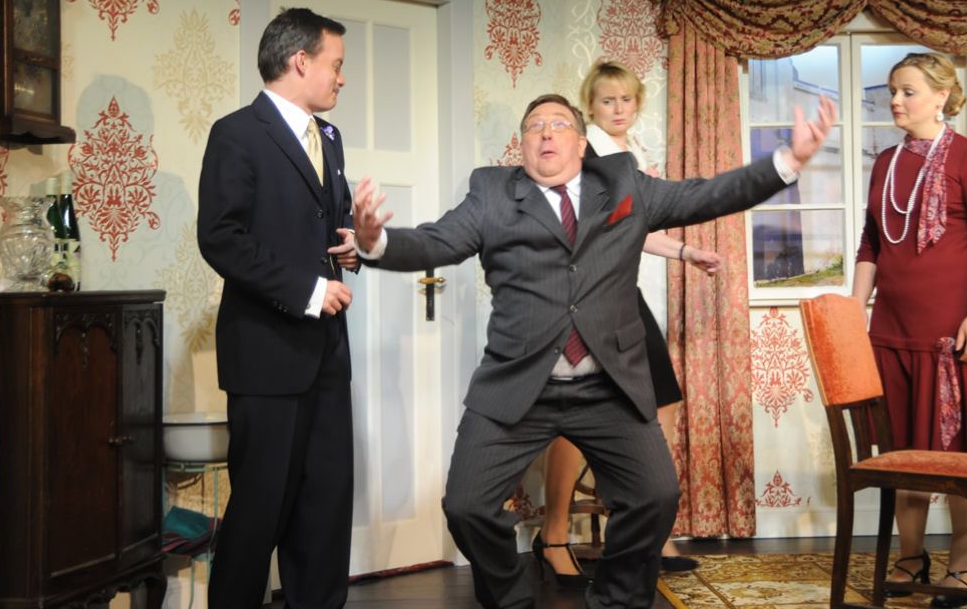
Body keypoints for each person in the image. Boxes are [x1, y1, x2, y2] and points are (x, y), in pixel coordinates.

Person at [352, 92, 834, 609]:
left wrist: (788, 161)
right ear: (522, 145)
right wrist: (375, 241)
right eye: (534, 125)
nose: (546, 132)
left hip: (608, 385)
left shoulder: (624, 184)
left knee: (655, 497)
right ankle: (512, 602)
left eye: (559, 124)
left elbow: (706, 195)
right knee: (467, 507)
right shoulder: (492, 193)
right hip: (520, 382)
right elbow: (436, 241)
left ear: (582, 144)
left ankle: (615, 600)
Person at [197, 7, 359, 609]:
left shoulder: (330, 139)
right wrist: (309, 291)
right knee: (259, 510)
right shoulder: (236, 133)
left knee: (325, 507)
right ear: (300, 60)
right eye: (335, 65)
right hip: (265, 356)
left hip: (327, 355)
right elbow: (221, 238)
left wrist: (356, 244)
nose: (342, 77)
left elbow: (330, 221)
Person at [537, 61, 718, 584]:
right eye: (607, 101)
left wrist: (684, 251)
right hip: (583, 299)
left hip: (618, 293)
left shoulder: (623, 156)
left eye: (626, 100)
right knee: (574, 414)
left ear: (637, 104)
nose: (618, 109)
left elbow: (634, 228)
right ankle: (553, 536)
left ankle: (645, 536)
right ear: (590, 106)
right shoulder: (586, 156)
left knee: (660, 402)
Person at [850, 52, 967, 609]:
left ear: (941, 95)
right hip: (890, 334)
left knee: (963, 456)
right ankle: (910, 556)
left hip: (952, 335)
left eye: (908, 91)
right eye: (892, 91)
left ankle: (963, 561)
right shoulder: (885, 162)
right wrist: (854, 308)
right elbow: (871, 241)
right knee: (904, 451)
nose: (895, 100)